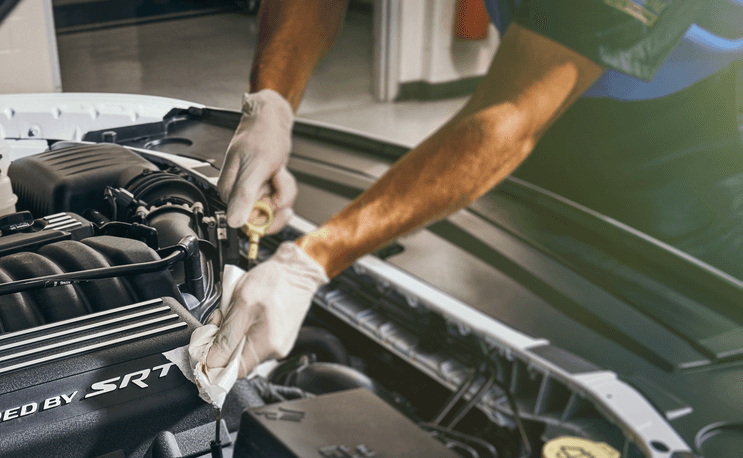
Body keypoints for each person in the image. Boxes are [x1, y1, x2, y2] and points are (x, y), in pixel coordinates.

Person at [206, 0, 743, 379]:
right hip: (545, 136)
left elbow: (508, 120)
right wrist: (271, 102)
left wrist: (311, 262)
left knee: (660, 363)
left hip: (678, 166)